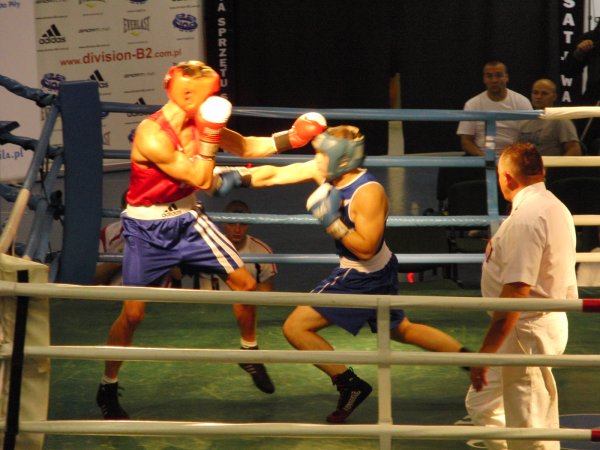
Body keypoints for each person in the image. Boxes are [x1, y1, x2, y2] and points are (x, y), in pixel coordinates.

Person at [95, 60, 327, 420]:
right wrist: (209, 133)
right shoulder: (152, 134)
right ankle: (108, 385)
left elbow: (247, 146)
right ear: (187, 94)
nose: (212, 101)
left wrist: (293, 138)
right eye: (206, 95)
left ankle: (249, 352)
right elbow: (203, 179)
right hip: (147, 228)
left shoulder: (197, 121)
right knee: (133, 314)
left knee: (245, 284)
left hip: (189, 219)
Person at [213, 125, 468, 423]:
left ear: (342, 160)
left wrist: (332, 222)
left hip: (362, 273)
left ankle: (350, 384)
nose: (316, 160)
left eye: (323, 155)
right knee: (401, 330)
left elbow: (366, 248)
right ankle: (471, 360)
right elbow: (276, 174)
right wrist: (235, 177)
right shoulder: (328, 171)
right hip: (378, 269)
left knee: (295, 328)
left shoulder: (368, 193)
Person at [465, 143, 577, 450]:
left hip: (525, 329)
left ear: (507, 178)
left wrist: (486, 353)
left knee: (531, 429)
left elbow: (517, 291)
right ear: (542, 171)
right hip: (535, 324)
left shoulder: (527, 218)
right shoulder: (554, 207)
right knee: (483, 403)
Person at [197, 199, 277, 393]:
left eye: (242, 223)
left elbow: (266, 293)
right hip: (207, 314)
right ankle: (249, 351)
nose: (237, 229)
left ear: (249, 224)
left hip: (245, 312)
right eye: (232, 223)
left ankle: (249, 350)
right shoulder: (205, 248)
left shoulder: (262, 250)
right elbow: (176, 275)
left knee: (246, 291)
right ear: (224, 223)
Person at [457, 61, 532, 156]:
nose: (494, 80)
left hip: (514, 157)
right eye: (489, 76)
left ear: (506, 77)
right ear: (484, 79)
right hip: (480, 157)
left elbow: (529, 138)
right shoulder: (472, 104)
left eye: (499, 75)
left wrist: (510, 158)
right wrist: (485, 159)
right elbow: (466, 141)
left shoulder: (522, 102)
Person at [518, 79, 582, 157]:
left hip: (549, 163)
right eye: (535, 93)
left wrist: (557, 164)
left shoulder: (560, 120)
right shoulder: (524, 120)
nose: (538, 96)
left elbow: (574, 150)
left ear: (554, 97)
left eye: (544, 93)